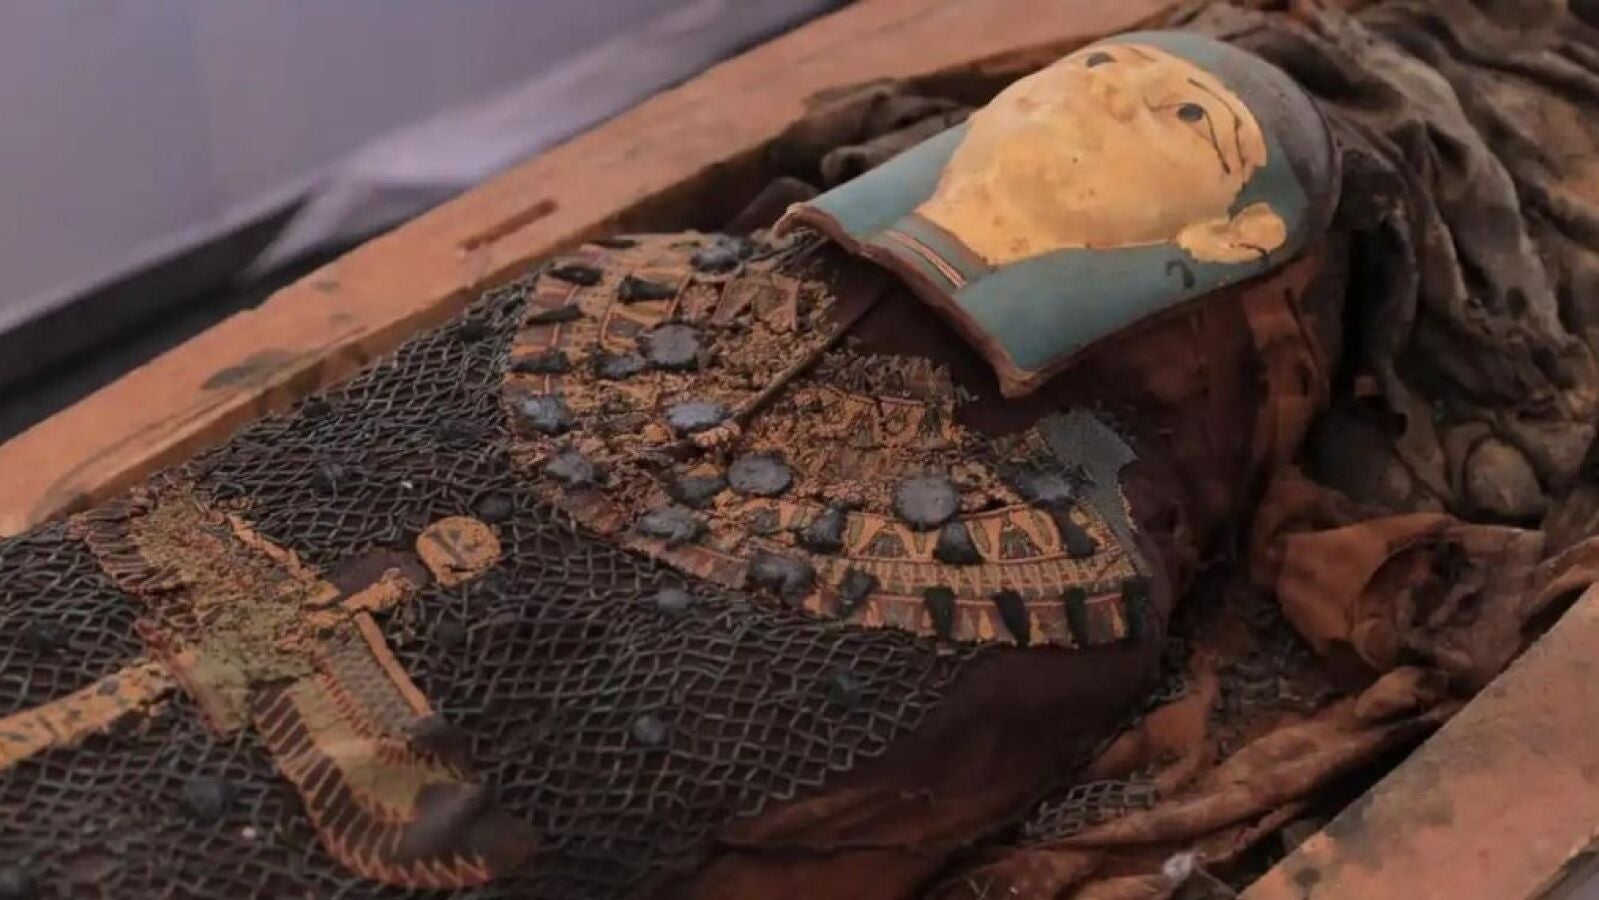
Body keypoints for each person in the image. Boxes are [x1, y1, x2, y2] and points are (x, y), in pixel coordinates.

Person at [3, 5, 1599, 899]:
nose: (1101, 108)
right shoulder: (618, 287)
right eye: (1098, 72)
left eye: (1183, 124)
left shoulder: (1037, 571)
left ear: (1233, 241)